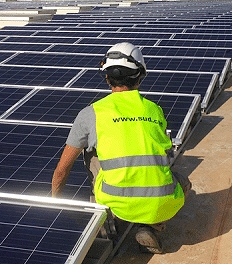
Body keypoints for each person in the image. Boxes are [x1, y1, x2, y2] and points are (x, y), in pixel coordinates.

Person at [52, 42, 191, 254]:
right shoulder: (155, 110)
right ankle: (151, 225)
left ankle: (102, 224)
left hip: (114, 199)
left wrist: (55, 203)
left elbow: (62, 169)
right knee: (184, 182)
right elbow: (163, 154)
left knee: (92, 150)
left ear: (107, 77)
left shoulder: (92, 114)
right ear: (140, 75)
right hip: (162, 202)